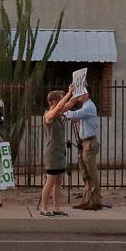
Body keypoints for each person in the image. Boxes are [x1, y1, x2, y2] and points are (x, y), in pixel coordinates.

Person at [39, 87, 75, 217]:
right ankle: (44, 208)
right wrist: (69, 93)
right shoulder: (48, 115)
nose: (63, 102)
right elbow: (61, 105)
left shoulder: (59, 114)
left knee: (59, 180)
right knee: (50, 180)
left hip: (60, 151)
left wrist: (78, 89)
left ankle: (56, 207)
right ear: (53, 101)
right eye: (60, 98)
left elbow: (70, 104)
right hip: (52, 152)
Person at [65, 89, 103, 210]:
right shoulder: (85, 106)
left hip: (89, 142)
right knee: (85, 173)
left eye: (80, 93)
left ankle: (95, 201)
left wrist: (63, 110)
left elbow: (74, 115)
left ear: (86, 94)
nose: (78, 96)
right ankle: (87, 199)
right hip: (84, 143)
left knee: (91, 173)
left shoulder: (89, 107)